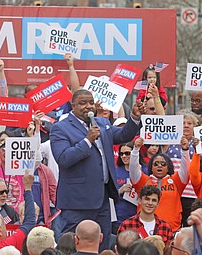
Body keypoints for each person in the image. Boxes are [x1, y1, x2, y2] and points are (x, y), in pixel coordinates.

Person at [50, 89, 144, 250]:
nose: (88, 106)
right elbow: (64, 159)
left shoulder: (102, 123)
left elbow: (123, 136)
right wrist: (87, 140)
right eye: (82, 103)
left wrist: (134, 117)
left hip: (102, 198)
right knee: (73, 245)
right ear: (73, 106)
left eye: (91, 102)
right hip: (77, 201)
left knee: (103, 242)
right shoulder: (61, 128)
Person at [130, 137, 190, 232]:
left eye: (163, 164)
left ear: (168, 167)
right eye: (156, 164)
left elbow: (186, 169)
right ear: (151, 167)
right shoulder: (143, 181)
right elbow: (133, 169)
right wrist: (136, 149)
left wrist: (185, 150)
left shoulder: (176, 181)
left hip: (171, 231)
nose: (159, 166)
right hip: (145, 231)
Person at [0, 171, 35, 254]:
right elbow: (30, 222)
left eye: (6, 192)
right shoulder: (7, 245)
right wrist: (28, 189)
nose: (4, 195)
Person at [166, 109, 201, 227]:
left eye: (189, 123)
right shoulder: (169, 140)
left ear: (195, 126)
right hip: (174, 192)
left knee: (190, 227)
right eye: (183, 123)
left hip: (193, 194)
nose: (186, 126)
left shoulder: (199, 143)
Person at [113, 141, 147, 234]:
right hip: (119, 216)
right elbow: (108, 193)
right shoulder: (115, 171)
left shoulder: (145, 170)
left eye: (127, 153)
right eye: (121, 154)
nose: (124, 156)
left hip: (139, 217)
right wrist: (120, 190)